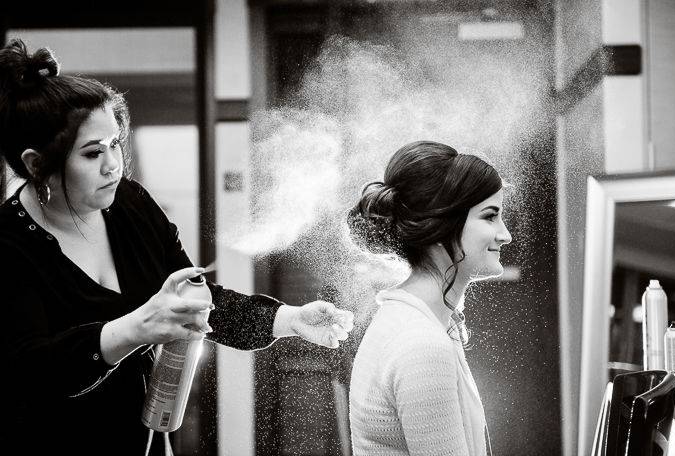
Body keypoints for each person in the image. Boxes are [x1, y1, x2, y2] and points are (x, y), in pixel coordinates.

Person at [0, 39, 353, 455]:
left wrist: (289, 320)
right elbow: (28, 372)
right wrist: (134, 328)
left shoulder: (130, 205)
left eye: (115, 144)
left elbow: (197, 302)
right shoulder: (9, 245)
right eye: (93, 153)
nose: (113, 165)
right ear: (37, 163)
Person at [347, 140, 512, 455]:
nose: (505, 234)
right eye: (490, 217)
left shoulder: (413, 320)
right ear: (441, 227)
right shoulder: (421, 343)